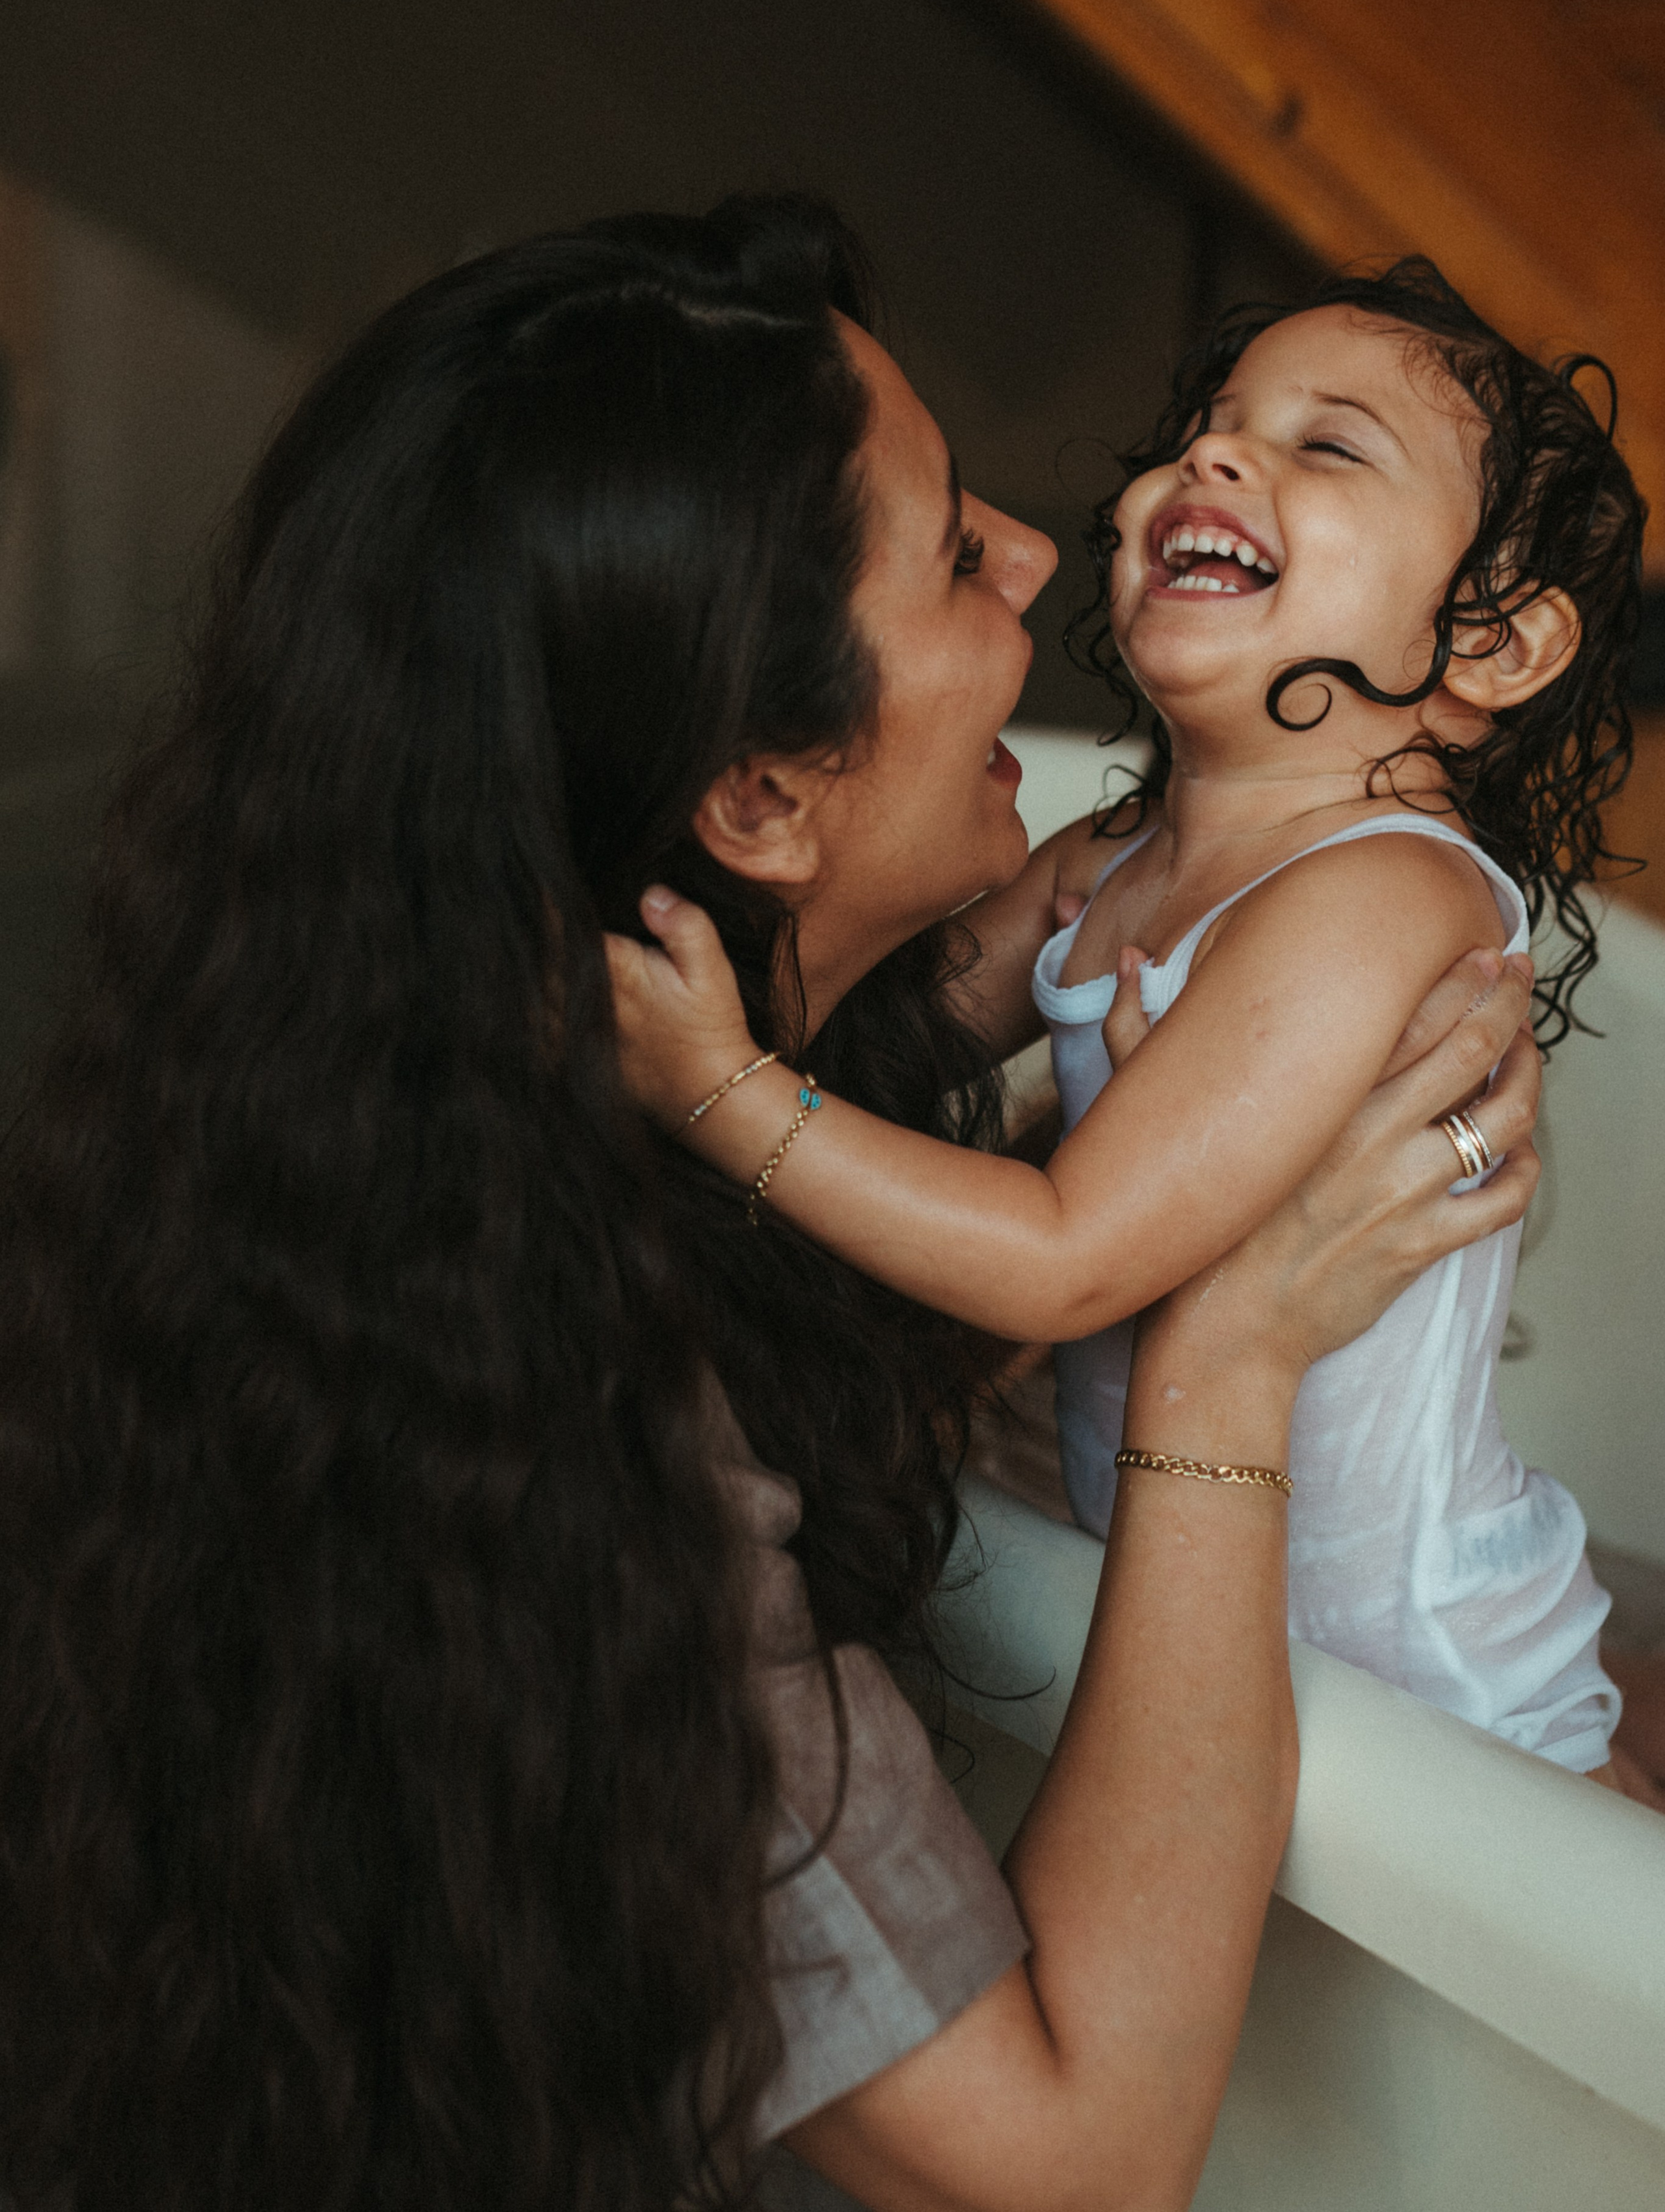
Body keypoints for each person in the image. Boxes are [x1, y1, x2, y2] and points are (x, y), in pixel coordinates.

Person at [0, 197, 1540, 2212]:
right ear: (760, 803)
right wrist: (1226, 1362)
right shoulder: (569, 1456)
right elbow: (1067, 2172)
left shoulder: (375, 1126)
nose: (1047, 556)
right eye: (951, 554)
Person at [609, 261, 1644, 1793]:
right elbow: (856, 1038)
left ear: (1489, 644)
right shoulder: (1108, 859)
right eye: (1210, 424)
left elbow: (1063, 1249)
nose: (1214, 456)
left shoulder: (1378, 896)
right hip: (1194, 1581)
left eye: (1327, 445)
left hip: (1435, 1677)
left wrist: (722, 1094)